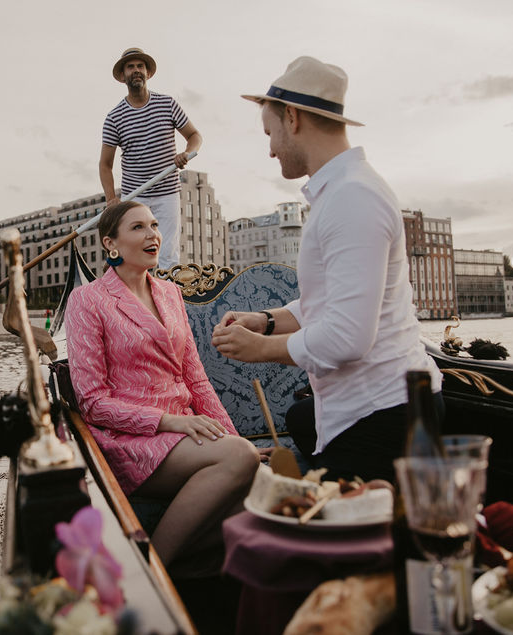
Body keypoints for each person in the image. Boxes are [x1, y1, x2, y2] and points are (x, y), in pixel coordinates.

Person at [211, 56, 443, 483]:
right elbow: (331, 300)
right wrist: (265, 321)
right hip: (371, 410)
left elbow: (346, 335)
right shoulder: (343, 192)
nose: (270, 149)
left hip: (380, 415)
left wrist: (258, 349)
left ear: (293, 118)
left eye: (270, 133)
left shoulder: (352, 197)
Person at [65, 201, 258, 570]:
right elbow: (92, 402)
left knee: (261, 486)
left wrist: (233, 438)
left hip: (185, 432)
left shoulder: (170, 294)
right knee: (242, 460)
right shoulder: (87, 300)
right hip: (130, 438)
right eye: (138, 227)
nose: (153, 234)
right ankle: (153, 571)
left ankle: (178, 565)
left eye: (154, 225)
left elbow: (195, 377)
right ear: (111, 245)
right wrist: (170, 423)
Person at [99, 47, 202, 270]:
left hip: (167, 193)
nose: (136, 70)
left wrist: (186, 152)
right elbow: (105, 164)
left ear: (147, 73)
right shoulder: (114, 117)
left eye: (140, 66)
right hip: (135, 196)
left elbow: (195, 136)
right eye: (130, 67)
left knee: (167, 255)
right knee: (133, 253)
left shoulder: (168, 104)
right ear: (123, 75)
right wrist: (111, 200)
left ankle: (166, 299)